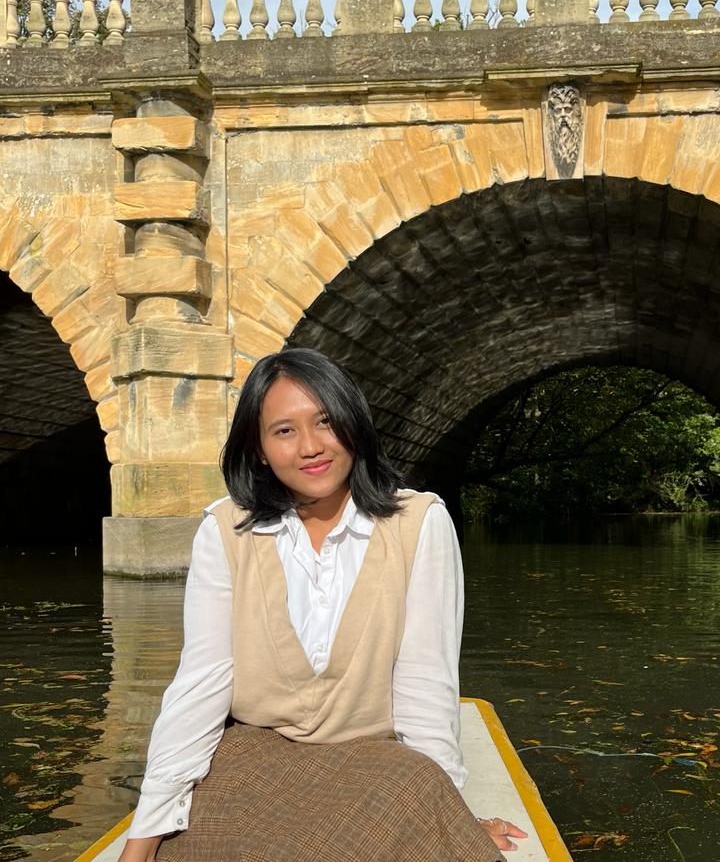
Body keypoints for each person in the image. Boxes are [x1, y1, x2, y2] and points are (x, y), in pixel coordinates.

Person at [118, 347, 527, 862]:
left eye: (326, 422)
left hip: (378, 766)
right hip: (253, 759)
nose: (310, 446)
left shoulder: (419, 523)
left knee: (409, 789)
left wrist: (447, 815)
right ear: (260, 448)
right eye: (284, 431)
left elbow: (427, 684)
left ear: (353, 425)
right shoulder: (225, 529)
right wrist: (140, 843)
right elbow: (201, 682)